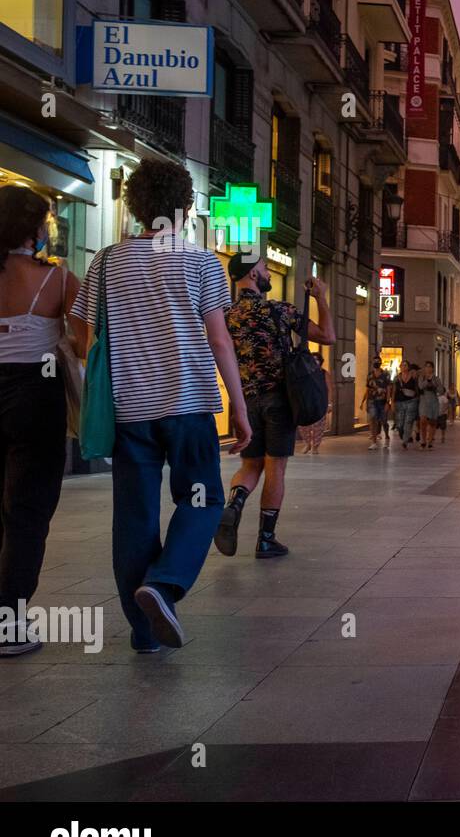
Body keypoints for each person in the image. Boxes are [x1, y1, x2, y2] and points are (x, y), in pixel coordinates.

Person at [68, 159, 251, 650]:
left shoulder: (105, 262)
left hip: (129, 413)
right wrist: (239, 404)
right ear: (187, 206)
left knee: (135, 516)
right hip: (189, 409)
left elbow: (84, 338)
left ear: (134, 207)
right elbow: (219, 341)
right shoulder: (201, 262)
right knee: (204, 499)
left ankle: (143, 630)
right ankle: (165, 584)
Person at [0, 186, 79, 656]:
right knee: (26, 511)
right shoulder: (59, 280)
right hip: (35, 394)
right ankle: (8, 622)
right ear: (35, 229)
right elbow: (87, 345)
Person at [217, 255, 336, 559]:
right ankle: (266, 538)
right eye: (264, 267)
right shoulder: (279, 310)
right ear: (254, 274)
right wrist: (320, 297)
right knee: (275, 468)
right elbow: (328, 336)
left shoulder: (226, 315)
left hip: (245, 401)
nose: (269, 272)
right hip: (279, 400)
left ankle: (234, 505)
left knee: (250, 464)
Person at [299, 353, 332, 454]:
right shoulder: (305, 373)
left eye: (317, 359)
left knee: (318, 426)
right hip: (306, 402)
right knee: (303, 425)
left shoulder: (324, 373)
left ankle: (315, 447)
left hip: (320, 402)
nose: (315, 361)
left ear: (320, 361)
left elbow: (329, 389)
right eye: (312, 359)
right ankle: (308, 444)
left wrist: (330, 403)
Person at [363, 358, 392, 450]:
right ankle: (374, 441)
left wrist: (388, 401)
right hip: (372, 400)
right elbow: (367, 388)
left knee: (383, 421)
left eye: (378, 362)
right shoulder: (370, 375)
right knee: (372, 419)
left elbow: (389, 388)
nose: (376, 363)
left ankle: (387, 437)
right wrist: (365, 400)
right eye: (374, 362)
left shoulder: (385, 374)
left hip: (382, 401)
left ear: (380, 363)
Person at [392, 361, 419, 450]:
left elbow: (417, 389)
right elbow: (394, 391)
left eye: (405, 365)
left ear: (408, 367)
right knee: (399, 423)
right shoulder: (397, 378)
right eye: (402, 365)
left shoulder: (414, 377)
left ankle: (405, 441)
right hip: (399, 402)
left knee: (408, 421)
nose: (403, 367)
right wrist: (392, 402)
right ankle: (403, 435)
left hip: (411, 401)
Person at [417, 361, 441, 449]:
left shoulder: (436, 378)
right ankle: (423, 440)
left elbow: (441, 390)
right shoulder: (422, 377)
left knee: (432, 421)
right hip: (424, 400)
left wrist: (434, 385)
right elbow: (420, 387)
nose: (428, 368)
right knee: (423, 420)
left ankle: (430, 441)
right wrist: (427, 381)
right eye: (426, 366)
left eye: (430, 366)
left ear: (433, 368)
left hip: (433, 401)